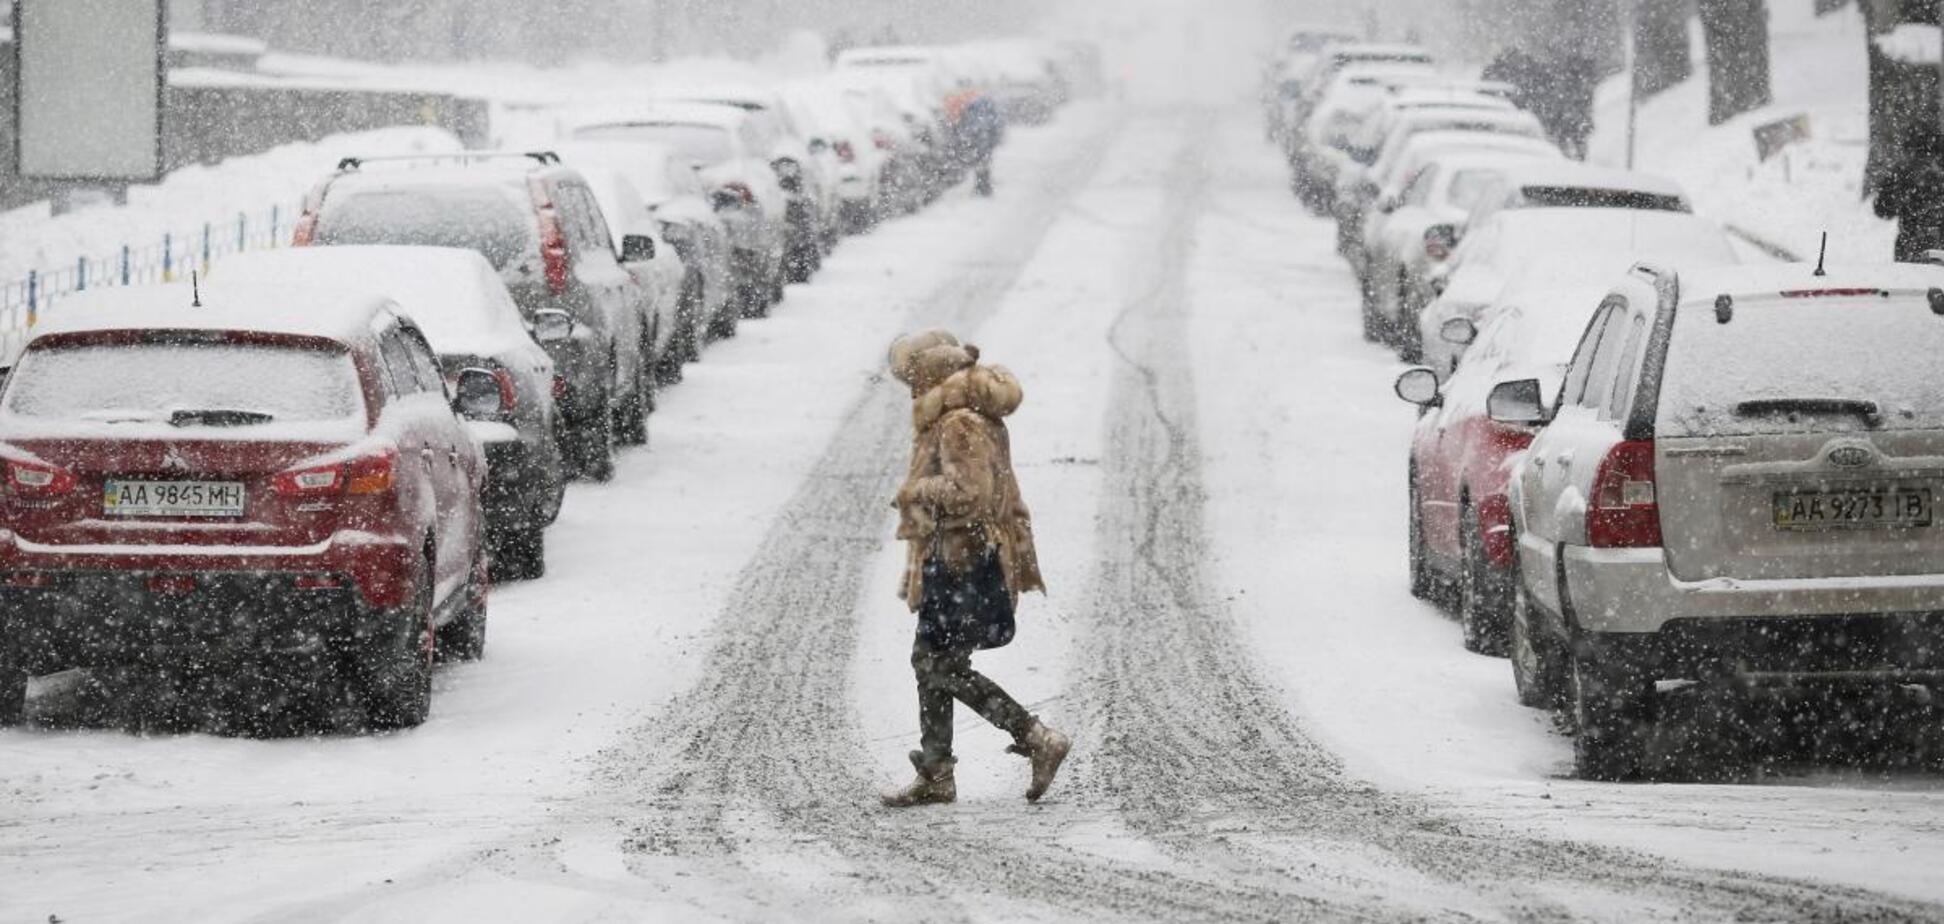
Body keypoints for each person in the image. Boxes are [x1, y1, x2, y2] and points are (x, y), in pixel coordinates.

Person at [881, 330, 1069, 807]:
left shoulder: (958, 422)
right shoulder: (965, 414)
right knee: (933, 660)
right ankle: (937, 772)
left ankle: (1034, 736)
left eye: (912, 378)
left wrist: (917, 492)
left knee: (936, 662)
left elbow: (971, 494)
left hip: (968, 560)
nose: (910, 389)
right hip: (962, 557)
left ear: (929, 372)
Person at [1874, 122, 1944, 263]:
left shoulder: (1902, 174)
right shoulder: (1901, 175)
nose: (1925, 163)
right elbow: (1882, 210)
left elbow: (1883, 210)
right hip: (1910, 247)